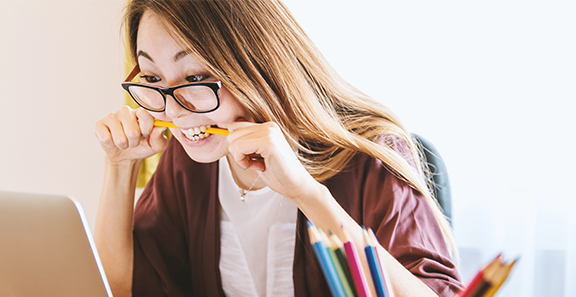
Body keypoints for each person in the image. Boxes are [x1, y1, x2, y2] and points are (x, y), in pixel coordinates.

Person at [94, 1, 463, 296]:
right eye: (153, 79)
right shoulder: (190, 159)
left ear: (257, 65)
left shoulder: (370, 155)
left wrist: (305, 193)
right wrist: (119, 166)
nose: (173, 110)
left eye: (196, 77)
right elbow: (121, 288)